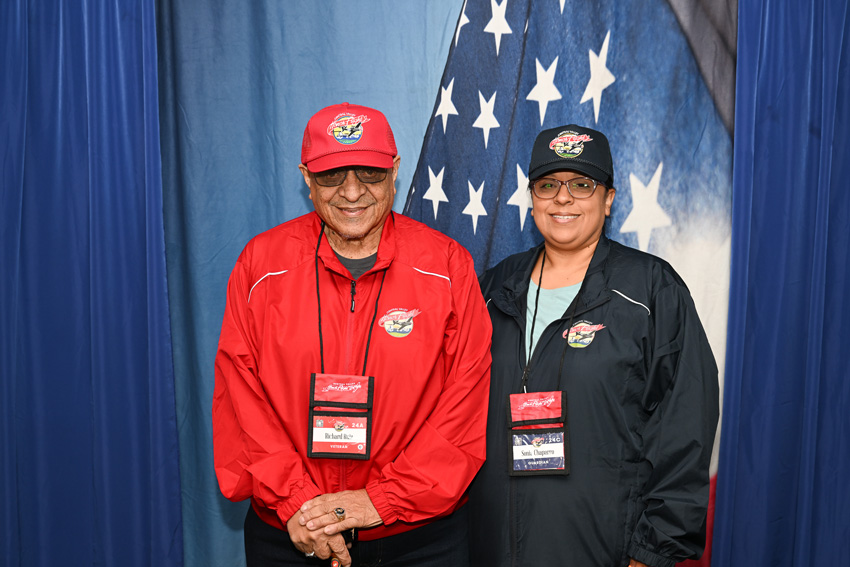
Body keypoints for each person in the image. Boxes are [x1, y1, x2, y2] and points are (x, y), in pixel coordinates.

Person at [213, 102, 492, 567]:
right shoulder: (260, 265)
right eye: (331, 175)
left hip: (418, 540)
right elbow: (241, 404)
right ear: (306, 177)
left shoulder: (447, 267)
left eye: (370, 173)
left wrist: (379, 502)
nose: (351, 192)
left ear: (395, 170)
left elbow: (464, 408)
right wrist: (301, 504)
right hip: (291, 533)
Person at [467, 124, 719, 567]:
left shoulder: (651, 291)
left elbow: (685, 427)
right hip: (491, 546)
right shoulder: (493, 287)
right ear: (532, 198)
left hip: (605, 549)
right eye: (548, 185)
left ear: (608, 200)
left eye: (582, 185)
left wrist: (651, 553)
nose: (562, 198)